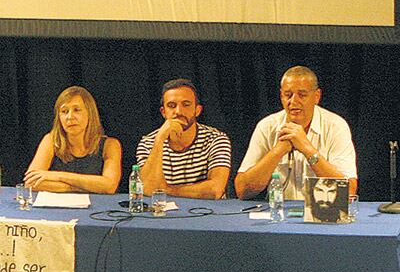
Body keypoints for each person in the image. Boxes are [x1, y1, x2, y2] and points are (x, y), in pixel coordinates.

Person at [234, 66, 357, 201]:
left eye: (302, 95)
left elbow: (348, 191)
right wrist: (277, 151)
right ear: (281, 96)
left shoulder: (336, 126)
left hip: (322, 215)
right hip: (279, 213)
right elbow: (242, 190)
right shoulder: (267, 126)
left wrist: (307, 149)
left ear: (316, 96)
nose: (293, 101)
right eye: (288, 95)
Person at [135, 78, 231, 199]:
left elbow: (215, 190)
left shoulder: (216, 139)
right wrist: (159, 140)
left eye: (186, 105)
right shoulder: (148, 142)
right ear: (163, 112)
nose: (178, 111)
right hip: (164, 213)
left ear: (197, 110)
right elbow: (147, 189)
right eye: (171, 106)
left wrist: (166, 189)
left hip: (208, 213)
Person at [24, 86, 122, 193]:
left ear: (90, 113)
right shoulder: (51, 140)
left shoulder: (110, 145)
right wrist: (78, 187)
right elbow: (31, 182)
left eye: (77, 110)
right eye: (64, 111)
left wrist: (57, 176)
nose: (70, 117)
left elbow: (109, 186)